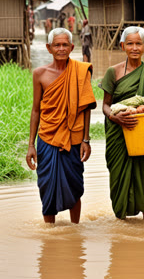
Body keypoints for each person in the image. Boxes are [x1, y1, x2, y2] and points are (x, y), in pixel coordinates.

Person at [26, 28, 96, 224]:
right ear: (49, 48)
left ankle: (75, 230)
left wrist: (86, 140)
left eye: (65, 45)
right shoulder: (40, 74)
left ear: (72, 47)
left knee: (74, 185)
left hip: (74, 139)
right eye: (57, 45)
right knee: (46, 185)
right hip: (47, 139)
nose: (61, 49)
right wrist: (31, 145)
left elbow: (86, 108)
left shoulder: (81, 71)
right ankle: (49, 232)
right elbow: (36, 110)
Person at [101, 26, 144, 220]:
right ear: (122, 46)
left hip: (143, 133)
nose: (134, 48)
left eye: (138, 43)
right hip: (118, 132)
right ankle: (120, 220)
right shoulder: (112, 72)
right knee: (118, 175)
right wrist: (115, 117)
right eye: (129, 43)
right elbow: (105, 105)